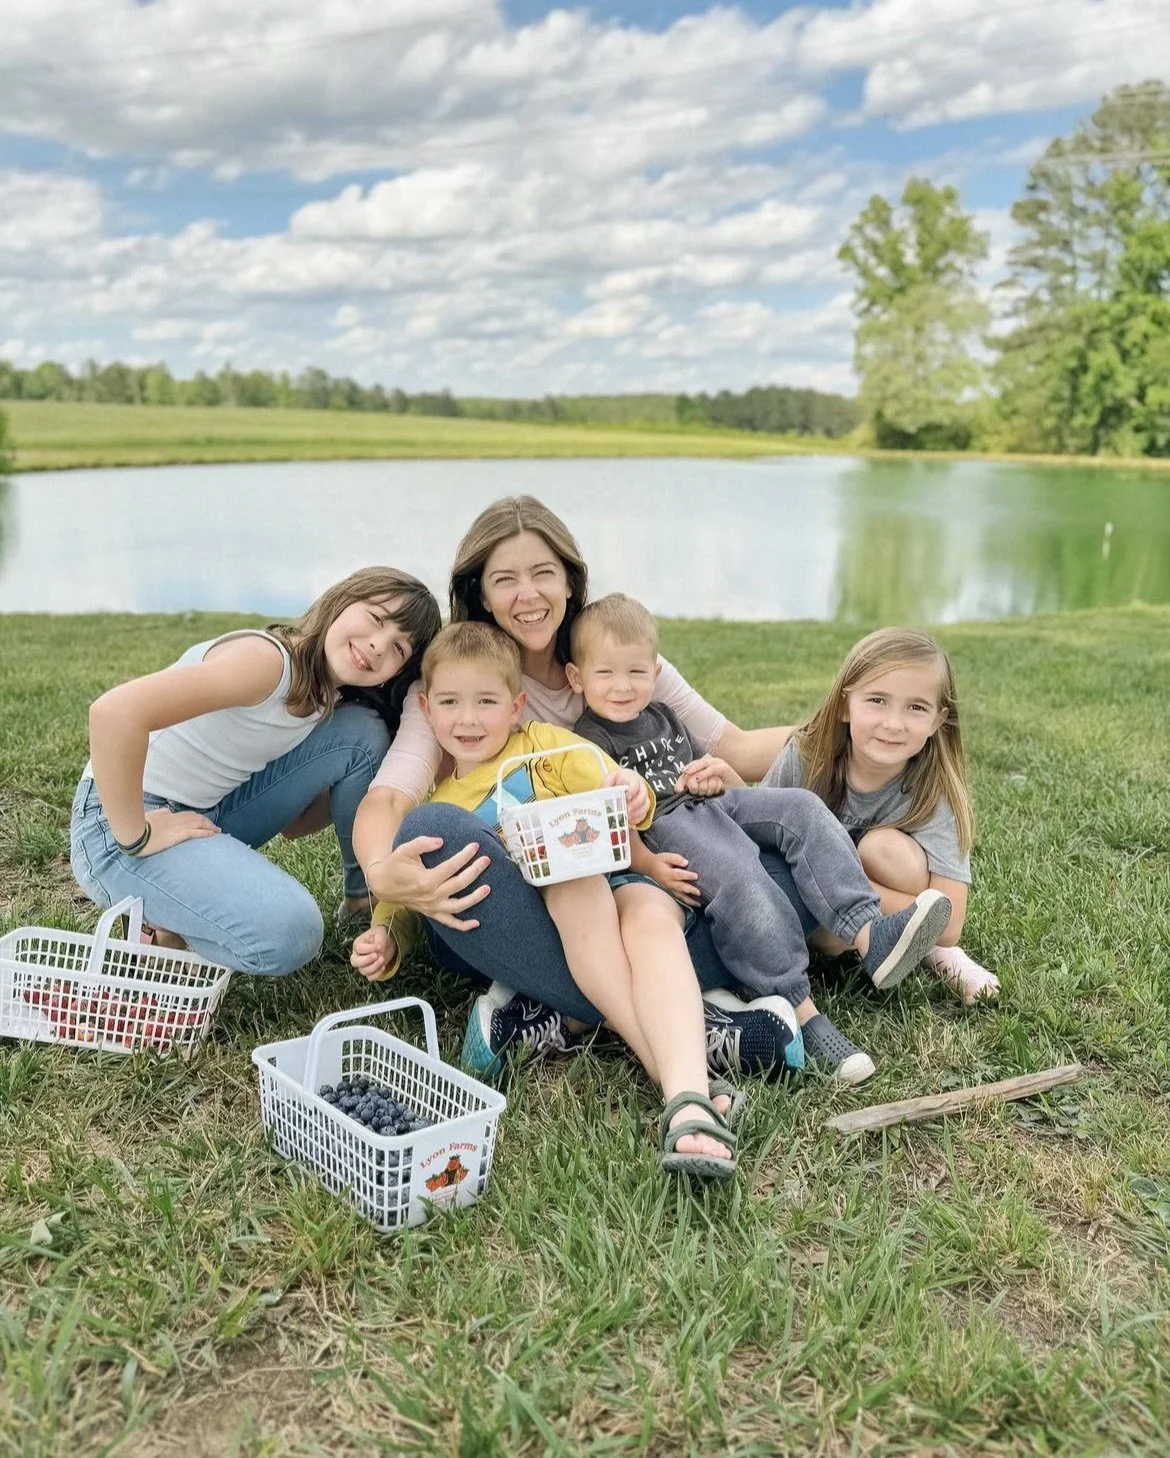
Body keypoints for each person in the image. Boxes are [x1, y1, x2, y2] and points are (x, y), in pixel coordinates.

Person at [352, 495, 865, 1079]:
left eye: (543, 573)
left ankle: (558, 1014)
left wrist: (855, 725)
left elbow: (736, 746)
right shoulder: (455, 680)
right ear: (481, 593)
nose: (528, 595)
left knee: (773, 876)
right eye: (505, 579)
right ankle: (690, 1021)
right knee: (434, 829)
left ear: (570, 581)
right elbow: (388, 799)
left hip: (636, 885)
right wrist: (380, 874)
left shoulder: (616, 658)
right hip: (519, 905)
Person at [353, 622, 740, 1177]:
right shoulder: (445, 802)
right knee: (553, 872)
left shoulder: (545, 748)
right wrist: (386, 932)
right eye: (451, 703)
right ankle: (679, 1076)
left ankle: (677, 1091)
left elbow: (611, 779)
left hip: (604, 897)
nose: (468, 719)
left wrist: (630, 791)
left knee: (647, 911)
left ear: (516, 707)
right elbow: (408, 885)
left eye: (486, 701)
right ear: (427, 709)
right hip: (528, 926)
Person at [567, 594, 953, 1084]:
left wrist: (711, 776)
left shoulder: (664, 715)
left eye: (636, 672)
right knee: (740, 874)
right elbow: (607, 826)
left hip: (710, 803)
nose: (623, 686)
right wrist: (647, 864)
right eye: (606, 674)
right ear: (577, 678)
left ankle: (867, 932)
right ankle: (804, 1011)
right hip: (664, 826)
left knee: (802, 807)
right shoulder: (587, 742)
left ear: (656, 671)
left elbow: (700, 769)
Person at [70, 567, 441, 975]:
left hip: (207, 809)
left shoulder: (325, 693)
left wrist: (364, 782)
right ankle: (163, 924)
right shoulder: (266, 662)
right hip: (116, 823)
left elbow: (296, 824)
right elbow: (113, 713)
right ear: (343, 600)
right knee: (293, 932)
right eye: (376, 618)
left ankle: (362, 903)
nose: (377, 645)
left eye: (398, 649)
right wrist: (136, 834)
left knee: (364, 735)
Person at [762, 627, 999, 1005]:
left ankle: (933, 952)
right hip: (811, 918)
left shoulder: (933, 790)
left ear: (938, 720)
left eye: (916, 708)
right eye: (876, 700)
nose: (893, 723)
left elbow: (950, 922)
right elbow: (752, 838)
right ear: (844, 705)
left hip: (854, 897)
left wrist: (837, 884)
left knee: (881, 847)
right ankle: (899, 942)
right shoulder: (806, 757)